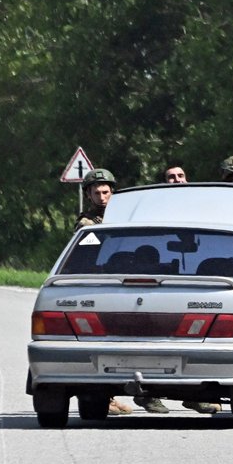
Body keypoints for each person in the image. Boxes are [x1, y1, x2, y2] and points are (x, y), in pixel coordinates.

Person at [129, 164, 220, 416]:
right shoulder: (153, 209)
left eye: (180, 176)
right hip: (159, 281)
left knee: (195, 341)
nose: (176, 180)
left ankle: (194, 396)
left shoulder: (199, 209)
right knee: (155, 339)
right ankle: (149, 395)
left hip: (195, 282)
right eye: (170, 177)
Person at [72, 169, 133, 415]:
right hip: (98, 283)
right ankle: (104, 398)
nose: (102, 197)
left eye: (106, 192)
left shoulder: (124, 216)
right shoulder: (86, 224)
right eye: (96, 192)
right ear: (88, 195)